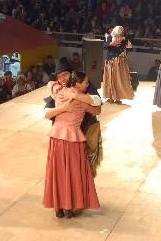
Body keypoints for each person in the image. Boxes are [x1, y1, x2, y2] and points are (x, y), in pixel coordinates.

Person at [43, 71, 101, 218]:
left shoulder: (60, 92)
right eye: (86, 82)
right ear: (77, 83)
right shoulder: (83, 100)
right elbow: (97, 109)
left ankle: (58, 207)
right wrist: (78, 99)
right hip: (73, 140)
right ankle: (69, 207)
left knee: (58, 173)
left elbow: (50, 85)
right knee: (73, 173)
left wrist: (67, 92)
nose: (88, 84)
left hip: (56, 138)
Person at [103, 26, 134, 104]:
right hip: (110, 60)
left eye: (123, 31)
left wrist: (124, 39)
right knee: (110, 78)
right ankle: (110, 97)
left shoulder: (124, 39)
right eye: (122, 31)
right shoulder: (110, 37)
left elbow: (131, 40)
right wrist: (111, 44)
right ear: (117, 31)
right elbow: (104, 45)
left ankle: (117, 97)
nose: (123, 32)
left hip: (119, 61)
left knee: (118, 79)